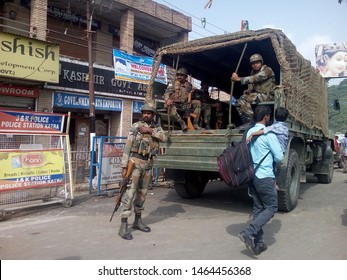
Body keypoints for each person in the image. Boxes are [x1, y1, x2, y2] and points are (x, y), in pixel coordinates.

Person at [238, 105, 284, 255]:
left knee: (258, 208)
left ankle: (259, 243)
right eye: (269, 116)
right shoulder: (269, 135)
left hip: (252, 175)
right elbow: (279, 157)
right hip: (265, 175)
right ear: (266, 117)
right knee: (271, 207)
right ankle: (249, 232)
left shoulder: (248, 132)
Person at [118, 102, 167, 240]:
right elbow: (128, 146)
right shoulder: (135, 126)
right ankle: (123, 225)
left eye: (149, 113)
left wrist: (150, 131)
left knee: (142, 194)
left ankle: (137, 221)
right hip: (135, 162)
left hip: (148, 163)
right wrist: (123, 166)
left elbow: (164, 138)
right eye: (144, 113)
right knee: (130, 193)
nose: (146, 115)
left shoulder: (157, 127)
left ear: (153, 115)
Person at [231, 53, 276, 123]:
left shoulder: (267, 70)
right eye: (253, 63)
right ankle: (248, 120)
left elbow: (257, 78)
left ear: (261, 62)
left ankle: (252, 121)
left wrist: (239, 79)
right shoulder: (253, 73)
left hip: (268, 95)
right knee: (239, 102)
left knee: (243, 98)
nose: (255, 65)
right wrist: (248, 91)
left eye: (257, 62)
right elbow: (251, 85)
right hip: (260, 96)